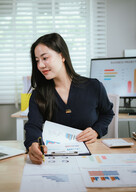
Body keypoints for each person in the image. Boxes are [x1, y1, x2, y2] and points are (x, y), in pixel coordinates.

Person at [24, 33, 114, 164]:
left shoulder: (93, 86)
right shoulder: (39, 94)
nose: (40, 65)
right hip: (55, 158)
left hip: (91, 156)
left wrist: (96, 130)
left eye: (44, 58)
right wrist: (32, 143)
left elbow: (107, 113)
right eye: (37, 60)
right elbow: (33, 125)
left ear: (62, 56)